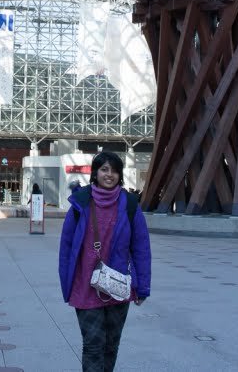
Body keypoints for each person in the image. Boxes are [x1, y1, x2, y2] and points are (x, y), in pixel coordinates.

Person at [59, 152, 151, 372]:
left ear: (120, 175)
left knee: (111, 345)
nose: (109, 174)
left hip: (117, 284)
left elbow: (141, 248)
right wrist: (67, 284)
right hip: (85, 285)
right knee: (93, 344)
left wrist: (143, 287)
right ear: (96, 173)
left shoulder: (129, 204)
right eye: (104, 169)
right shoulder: (81, 203)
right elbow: (66, 248)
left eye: (114, 170)